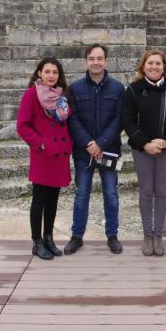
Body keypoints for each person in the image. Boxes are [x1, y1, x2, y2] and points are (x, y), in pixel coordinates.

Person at [122, 49, 166, 257]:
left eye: (158, 64)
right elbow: (128, 119)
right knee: (146, 191)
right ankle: (147, 234)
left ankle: (158, 234)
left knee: (161, 191)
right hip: (142, 150)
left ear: (164, 67)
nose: (154, 67)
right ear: (143, 66)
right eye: (150, 63)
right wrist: (145, 143)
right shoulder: (133, 90)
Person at [64, 43, 125, 255]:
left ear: (106, 61)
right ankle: (77, 236)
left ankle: (112, 235)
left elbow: (119, 120)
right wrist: (89, 144)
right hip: (84, 153)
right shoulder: (75, 88)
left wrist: (101, 143)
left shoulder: (118, 88)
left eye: (100, 58)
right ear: (86, 61)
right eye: (92, 58)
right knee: (81, 194)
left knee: (111, 194)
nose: (96, 62)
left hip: (109, 151)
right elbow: (72, 120)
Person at [16, 57, 72, 261]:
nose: (51, 76)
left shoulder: (63, 96)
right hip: (43, 154)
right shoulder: (32, 94)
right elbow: (22, 126)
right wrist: (40, 143)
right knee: (39, 200)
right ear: (39, 73)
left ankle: (49, 238)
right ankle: (37, 242)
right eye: (47, 71)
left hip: (59, 156)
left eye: (55, 72)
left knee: (53, 200)